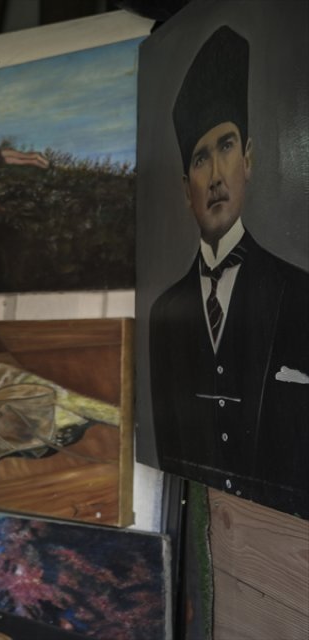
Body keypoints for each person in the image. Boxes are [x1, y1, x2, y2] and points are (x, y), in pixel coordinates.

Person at [148, 26, 309, 517]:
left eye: (226, 146)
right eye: (200, 158)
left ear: (250, 159)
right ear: (185, 187)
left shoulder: (300, 294)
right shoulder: (165, 312)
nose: (216, 175)